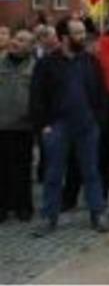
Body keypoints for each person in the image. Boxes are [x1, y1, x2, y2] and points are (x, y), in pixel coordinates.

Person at [30, 17, 109, 236]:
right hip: (58, 126)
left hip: (87, 126)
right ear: (64, 37)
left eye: (83, 32)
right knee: (53, 174)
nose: (83, 37)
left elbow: (102, 94)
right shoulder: (47, 64)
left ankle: (98, 213)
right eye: (77, 33)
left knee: (91, 171)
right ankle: (49, 217)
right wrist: (44, 125)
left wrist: (98, 121)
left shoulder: (91, 62)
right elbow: (37, 97)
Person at [0, 29, 37, 223]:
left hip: (24, 127)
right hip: (2, 125)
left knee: (22, 168)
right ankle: (3, 207)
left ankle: (23, 206)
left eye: (22, 40)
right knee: (2, 169)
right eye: (16, 38)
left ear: (30, 47)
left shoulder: (35, 67)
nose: (16, 42)